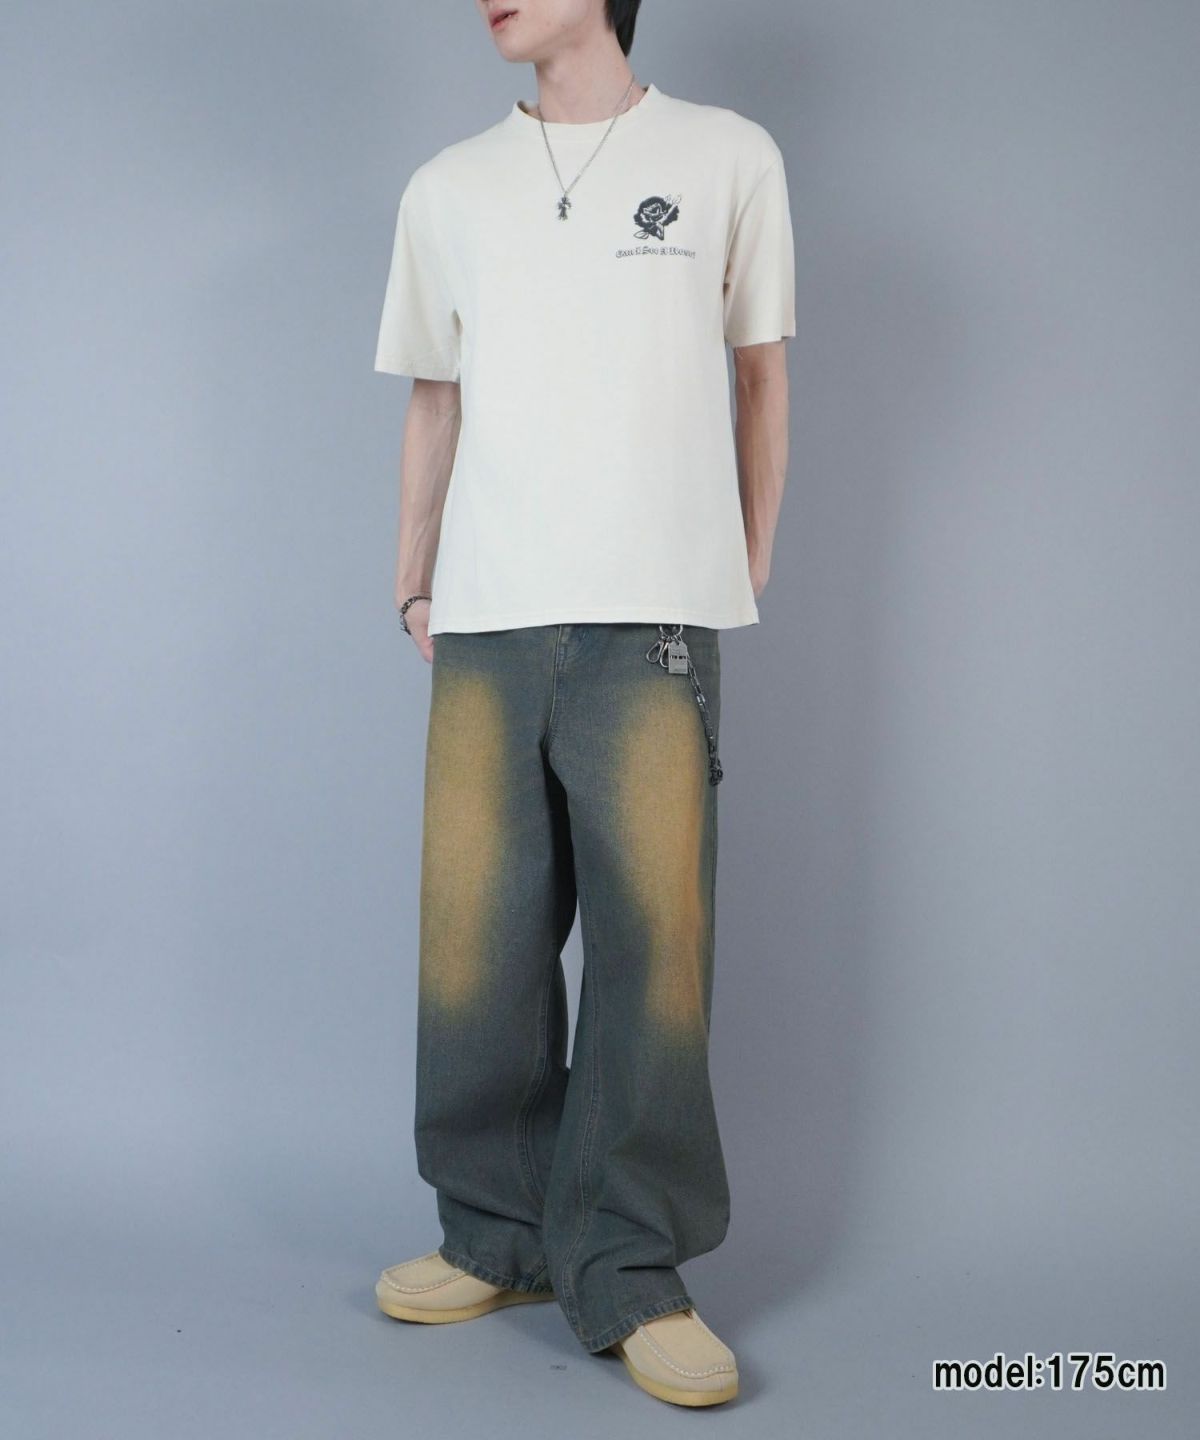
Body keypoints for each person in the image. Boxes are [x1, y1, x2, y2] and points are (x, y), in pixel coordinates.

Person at [370, 0, 793, 1408]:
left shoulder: (727, 157)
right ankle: (495, 1236)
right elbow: (436, 397)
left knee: (651, 952)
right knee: (473, 947)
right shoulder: (447, 187)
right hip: (489, 621)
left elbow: (760, 373)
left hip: (651, 621)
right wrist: (414, 577)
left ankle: (632, 1266)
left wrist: (743, 562)